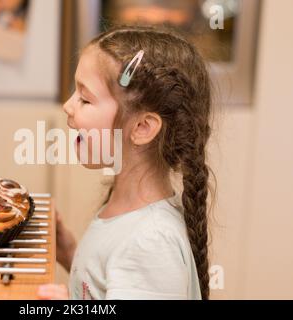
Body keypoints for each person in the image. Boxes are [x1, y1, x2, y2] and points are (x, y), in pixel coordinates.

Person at [37, 25, 214, 300]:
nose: (68, 106)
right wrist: (70, 252)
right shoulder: (130, 216)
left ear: (143, 127)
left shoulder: (152, 243)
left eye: (85, 98)